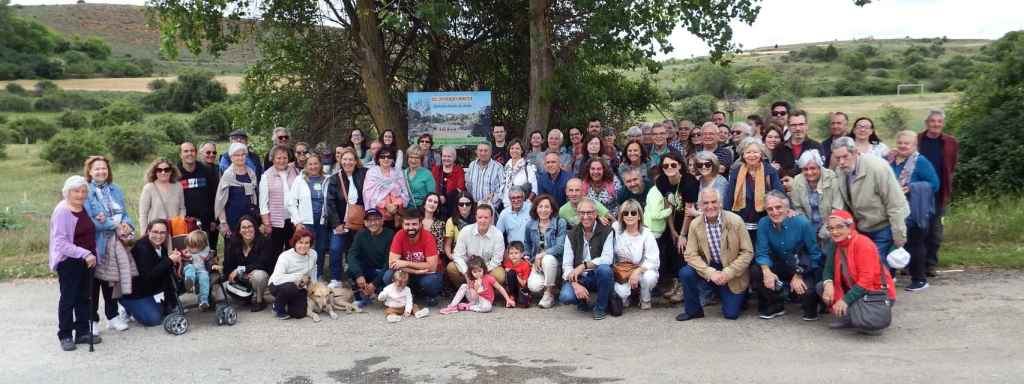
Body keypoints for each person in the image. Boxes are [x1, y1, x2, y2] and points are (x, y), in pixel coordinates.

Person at [676, 188, 754, 321]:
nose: (710, 206)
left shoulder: (736, 221)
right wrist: (710, 272)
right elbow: (690, 255)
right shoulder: (695, 224)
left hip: (731, 270)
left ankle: (740, 294)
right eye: (705, 203)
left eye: (714, 202)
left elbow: (747, 252)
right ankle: (694, 310)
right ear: (700, 206)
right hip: (710, 268)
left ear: (721, 203)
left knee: (731, 314)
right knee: (686, 272)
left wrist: (728, 272)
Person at [832, 136, 910, 261]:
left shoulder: (877, 167)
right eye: (837, 158)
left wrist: (899, 236)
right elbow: (840, 204)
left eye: (845, 156)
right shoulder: (841, 171)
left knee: (877, 266)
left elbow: (896, 203)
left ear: (856, 152)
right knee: (863, 265)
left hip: (885, 225)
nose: (841, 162)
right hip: (862, 227)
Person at [820, 210, 896, 333]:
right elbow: (828, 269)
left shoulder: (863, 243)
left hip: (876, 292)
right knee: (822, 287)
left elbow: (867, 280)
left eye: (839, 227)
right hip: (853, 286)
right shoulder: (835, 243)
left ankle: (863, 317)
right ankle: (848, 317)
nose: (834, 232)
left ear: (850, 227)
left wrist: (845, 300)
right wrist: (828, 284)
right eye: (831, 228)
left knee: (868, 325)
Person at [752, 191, 823, 320]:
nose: (774, 212)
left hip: (801, 266)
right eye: (770, 209)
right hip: (780, 264)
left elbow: (815, 254)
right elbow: (761, 251)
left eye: (778, 207)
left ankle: (810, 305)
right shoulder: (763, 223)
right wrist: (766, 271)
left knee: (807, 291)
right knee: (757, 271)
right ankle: (776, 304)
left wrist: (799, 274)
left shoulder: (803, 223)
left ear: (787, 208)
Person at [50, 176, 101, 350]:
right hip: (69, 261)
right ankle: (65, 335)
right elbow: (60, 243)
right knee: (68, 299)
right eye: (76, 191)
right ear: (67, 192)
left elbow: (89, 232)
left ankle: (82, 332)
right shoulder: (62, 211)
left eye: (83, 191)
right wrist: (85, 253)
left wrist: (92, 255)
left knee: (84, 297)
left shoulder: (84, 207)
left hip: (88, 260)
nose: (80, 195)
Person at [83, 156, 133, 334]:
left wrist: (127, 224)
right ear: (90, 172)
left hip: (116, 242)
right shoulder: (85, 191)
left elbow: (125, 213)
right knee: (94, 283)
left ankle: (112, 317)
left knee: (111, 281)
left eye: (103, 168)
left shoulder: (116, 189)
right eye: (96, 169)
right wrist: (115, 225)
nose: (101, 171)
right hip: (96, 243)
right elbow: (90, 221)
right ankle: (92, 321)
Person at [888, 130, 940, 291]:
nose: (903, 146)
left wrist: (911, 188)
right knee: (890, 243)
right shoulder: (891, 160)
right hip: (893, 210)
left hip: (915, 211)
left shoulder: (921, 162)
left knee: (914, 245)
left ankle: (919, 279)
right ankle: (889, 276)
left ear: (915, 145)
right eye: (900, 143)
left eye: (907, 143)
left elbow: (934, 184)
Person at [650, 153, 698, 302]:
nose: (669, 168)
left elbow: (689, 211)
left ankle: (684, 288)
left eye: (673, 165)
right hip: (673, 222)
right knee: (671, 251)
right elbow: (668, 206)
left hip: (689, 223)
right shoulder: (662, 181)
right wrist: (672, 231)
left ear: (680, 165)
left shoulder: (689, 181)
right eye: (665, 165)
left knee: (683, 251)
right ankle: (675, 284)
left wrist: (682, 235)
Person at [918, 109, 958, 277]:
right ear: (927, 123)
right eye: (933, 121)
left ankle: (930, 264)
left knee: (935, 231)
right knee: (917, 229)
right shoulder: (917, 139)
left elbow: (952, 165)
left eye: (939, 121)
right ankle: (913, 264)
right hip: (917, 191)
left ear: (942, 124)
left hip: (939, 193)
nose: (936, 124)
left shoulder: (950, 142)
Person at [559, 198, 615, 320]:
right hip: (580, 278)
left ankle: (600, 308)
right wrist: (575, 284)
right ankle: (581, 301)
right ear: (577, 215)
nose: (586, 216)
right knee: (566, 296)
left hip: (597, 276)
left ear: (595, 214)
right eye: (582, 213)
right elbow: (567, 265)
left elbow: (607, 258)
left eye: (589, 212)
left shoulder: (607, 230)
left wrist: (583, 266)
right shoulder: (571, 234)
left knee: (605, 270)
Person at [723, 137, 784, 243]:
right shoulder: (736, 172)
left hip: (765, 221)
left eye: (755, 152)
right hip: (741, 221)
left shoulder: (770, 171)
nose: (752, 155)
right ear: (743, 155)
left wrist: (788, 209)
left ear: (761, 154)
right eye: (748, 152)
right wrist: (726, 217)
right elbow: (729, 196)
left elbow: (780, 194)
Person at [122, 219, 182, 326]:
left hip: (150, 289)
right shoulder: (141, 248)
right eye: (155, 232)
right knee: (154, 319)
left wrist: (176, 259)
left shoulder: (160, 245)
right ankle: (126, 307)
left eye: (162, 232)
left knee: (167, 308)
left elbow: (163, 271)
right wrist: (169, 260)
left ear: (167, 234)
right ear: (148, 231)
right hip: (135, 292)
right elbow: (148, 276)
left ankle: (161, 305)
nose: (158, 236)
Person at [325, 148, 366, 288]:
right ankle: (336, 278)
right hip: (341, 222)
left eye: (350, 159)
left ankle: (355, 278)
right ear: (340, 161)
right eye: (345, 159)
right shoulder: (335, 179)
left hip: (360, 221)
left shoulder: (364, 174)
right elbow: (330, 203)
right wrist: (336, 224)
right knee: (335, 249)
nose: (347, 162)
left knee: (356, 250)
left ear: (356, 161)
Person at [385, 209, 444, 306]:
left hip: (428, 274)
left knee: (430, 282)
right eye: (407, 224)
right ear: (402, 225)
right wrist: (415, 271)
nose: (410, 227)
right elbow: (392, 263)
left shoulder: (428, 237)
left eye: (414, 224)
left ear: (420, 224)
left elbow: (432, 267)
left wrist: (406, 263)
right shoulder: (399, 235)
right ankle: (403, 295)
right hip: (410, 273)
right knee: (389, 276)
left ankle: (429, 295)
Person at [287, 153, 331, 280]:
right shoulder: (300, 180)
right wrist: (297, 222)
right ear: (305, 166)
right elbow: (291, 202)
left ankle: (318, 275)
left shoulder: (327, 179)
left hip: (323, 221)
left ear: (320, 164)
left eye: (316, 163)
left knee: (321, 249)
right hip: (305, 222)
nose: (313, 166)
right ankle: (302, 276)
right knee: (304, 249)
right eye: (310, 164)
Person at [611, 199, 660, 310]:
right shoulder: (615, 228)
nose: (629, 216)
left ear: (639, 216)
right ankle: (628, 296)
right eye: (625, 213)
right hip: (622, 271)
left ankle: (645, 298)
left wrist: (637, 271)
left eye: (633, 213)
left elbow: (653, 260)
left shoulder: (646, 233)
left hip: (642, 269)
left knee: (649, 278)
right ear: (621, 216)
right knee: (621, 295)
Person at [523, 194, 567, 308]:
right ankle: (550, 287)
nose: (543, 210)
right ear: (536, 209)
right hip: (538, 264)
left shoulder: (559, 223)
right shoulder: (530, 225)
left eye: (547, 207)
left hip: (555, 263)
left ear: (552, 209)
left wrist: (541, 255)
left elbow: (560, 247)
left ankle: (549, 293)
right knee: (534, 286)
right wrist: (527, 257)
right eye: (540, 207)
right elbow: (527, 244)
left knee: (548, 259)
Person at [790, 150, 844, 242]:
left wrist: (824, 232)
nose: (809, 172)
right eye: (805, 169)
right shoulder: (797, 180)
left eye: (813, 168)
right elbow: (797, 208)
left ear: (820, 167)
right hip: (808, 228)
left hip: (831, 228)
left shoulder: (832, 178)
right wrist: (807, 230)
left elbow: (837, 209)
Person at [222, 215, 273, 311]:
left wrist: (241, 270)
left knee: (259, 276)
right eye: (244, 227)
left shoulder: (264, 241)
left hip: (258, 277)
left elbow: (263, 264)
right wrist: (229, 276)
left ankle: (260, 301)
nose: (247, 230)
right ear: (239, 230)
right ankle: (246, 297)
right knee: (221, 290)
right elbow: (227, 265)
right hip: (241, 278)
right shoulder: (232, 243)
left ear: (255, 228)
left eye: (250, 226)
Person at [178, 142, 220, 254]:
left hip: (206, 221)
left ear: (196, 153)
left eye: (192, 151)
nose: (189, 153)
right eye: (186, 151)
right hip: (184, 221)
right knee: (186, 254)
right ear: (180, 154)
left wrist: (214, 219)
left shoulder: (206, 170)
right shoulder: (175, 173)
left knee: (207, 254)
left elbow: (214, 196)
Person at [346, 209, 394, 305]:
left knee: (389, 274)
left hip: (382, 271)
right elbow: (351, 255)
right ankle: (361, 294)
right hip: (367, 271)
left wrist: (374, 284)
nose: (373, 223)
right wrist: (359, 275)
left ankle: (377, 291)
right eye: (369, 220)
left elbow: (389, 262)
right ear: (365, 222)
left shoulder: (390, 234)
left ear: (382, 220)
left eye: (376, 219)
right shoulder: (361, 234)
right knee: (351, 269)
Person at [449, 205, 507, 285]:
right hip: (468, 266)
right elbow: (458, 255)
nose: (483, 221)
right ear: (476, 217)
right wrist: (466, 273)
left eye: (486, 218)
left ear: (491, 218)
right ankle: (465, 290)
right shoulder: (466, 231)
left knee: (499, 275)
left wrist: (482, 273)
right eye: (480, 217)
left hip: (487, 267)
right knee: (451, 267)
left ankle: (488, 293)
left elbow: (497, 259)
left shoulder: (497, 234)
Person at [268, 227, 317, 319]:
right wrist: (299, 276)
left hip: (300, 285)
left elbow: (313, 269)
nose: (303, 246)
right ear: (294, 243)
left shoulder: (313, 254)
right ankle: (278, 306)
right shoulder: (285, 256)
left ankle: (288, 302)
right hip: (277, 285)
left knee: (299, 313)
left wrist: (313, 286)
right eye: (300, 242)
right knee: (290, 287)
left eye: (307, 243)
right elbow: (277, 278)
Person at [441, 256, 516, 314]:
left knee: (487, 308)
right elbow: (473, 297)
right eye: (475, 272)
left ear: (484, 269)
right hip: (475, 300)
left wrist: (507, 299)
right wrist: (475, 289)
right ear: (471, 272)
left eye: (480, 271)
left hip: (486, 301)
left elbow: (500, 288)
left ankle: (468, 307)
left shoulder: (488, 278)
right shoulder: (472, 280)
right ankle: (452, 306)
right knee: (464, 286)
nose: (478, 274)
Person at [260, 145, 299, 256]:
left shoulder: (295, 171)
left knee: (292, 250)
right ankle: (275, 273)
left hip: (293, 219)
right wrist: (266, 223)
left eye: (284, 158)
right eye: (278, 158)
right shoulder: (266, 176)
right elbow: (263, 203)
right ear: (272, 159)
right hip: (276, 221)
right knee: (275, 251)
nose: (282, 161)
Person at [363, 147, 411, 223]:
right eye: (382, 156)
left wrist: (396, 205)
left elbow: (404, 193)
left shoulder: (398, 173)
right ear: (378, 159)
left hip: (396, 215)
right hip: (377, 216)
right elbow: (368, 194)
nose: (386, 159)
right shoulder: (371, 173)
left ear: (393, 159)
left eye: (389, 157)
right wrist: (385, 205)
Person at [139, 158, 186, 227]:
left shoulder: (178, 186)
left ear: (171, 171)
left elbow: (182, 208)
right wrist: (144, 234)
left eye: (166, 170)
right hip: (156, 232)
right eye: (159, 170)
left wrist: (180, 223)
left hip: (175, 230)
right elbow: (143, 215)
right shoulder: (148, 188)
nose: (163, 172)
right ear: (155, 172)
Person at [498, 139, 538, 209]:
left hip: (523, 206)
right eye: (512, 148)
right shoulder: (506, 167)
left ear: (522, 151)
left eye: (517, 148)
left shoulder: (528, 166)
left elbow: (534, 189)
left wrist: (527, 203)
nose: (514, 150)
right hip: (506, 205)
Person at [783, 110, 822, 176]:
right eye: (794, 125)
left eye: (801, 124)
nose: (798, 128)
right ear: (788, 127)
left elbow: (821, 172)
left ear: (807, 126)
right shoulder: (780, 148)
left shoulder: (816, 147)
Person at [466, 142, 504, 208]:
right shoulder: (472, 165)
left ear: (491, 152)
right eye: (480, 150)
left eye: (486, 151)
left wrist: (494, 198)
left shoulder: (498, 167)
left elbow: (502, 189)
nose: (483, 153)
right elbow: (468, 186)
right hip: (474, 206)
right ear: (476, 152)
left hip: (491, 206)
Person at [182, 230, 213, 310]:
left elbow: (210, 258)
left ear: (201, 246)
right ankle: (189, 282)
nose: (189, 248)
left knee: (204, 278)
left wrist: (209, 258)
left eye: (192, 246)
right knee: (190, 268)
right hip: (190, 270)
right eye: (188, 245)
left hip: (201, 271)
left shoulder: (206, 252)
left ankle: (204, 301)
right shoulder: (187, 252)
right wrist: (185, 256)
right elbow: (182, 258)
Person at [432, 145, 466, 216]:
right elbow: (432, 186)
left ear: (454, 158)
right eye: (444, 156)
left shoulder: (459, 170)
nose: (446, 158)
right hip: (437, 203)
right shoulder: (436, 169)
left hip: (453, 204)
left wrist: (446, 198)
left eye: (449, 156)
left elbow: (460, 188)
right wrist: (438, 197)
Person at [444, 192, 476, 260]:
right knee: (451, 267)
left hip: (476, 255)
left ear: (472, 205)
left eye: (467, 204)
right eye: (461, 204)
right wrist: (450, 256)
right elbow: (447, 244)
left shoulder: (478, 219)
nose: (464, 206)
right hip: (459, 255)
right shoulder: (451, 221)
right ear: (457, 205)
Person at [421, 193, 448, 272]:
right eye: (430, 201)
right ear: (424, 204)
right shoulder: (416, 221)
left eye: (435, 202)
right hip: (415, 256)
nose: (432, 204)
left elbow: (439, 248)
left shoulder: (440, 224)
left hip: (433, 258)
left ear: (438, 207)